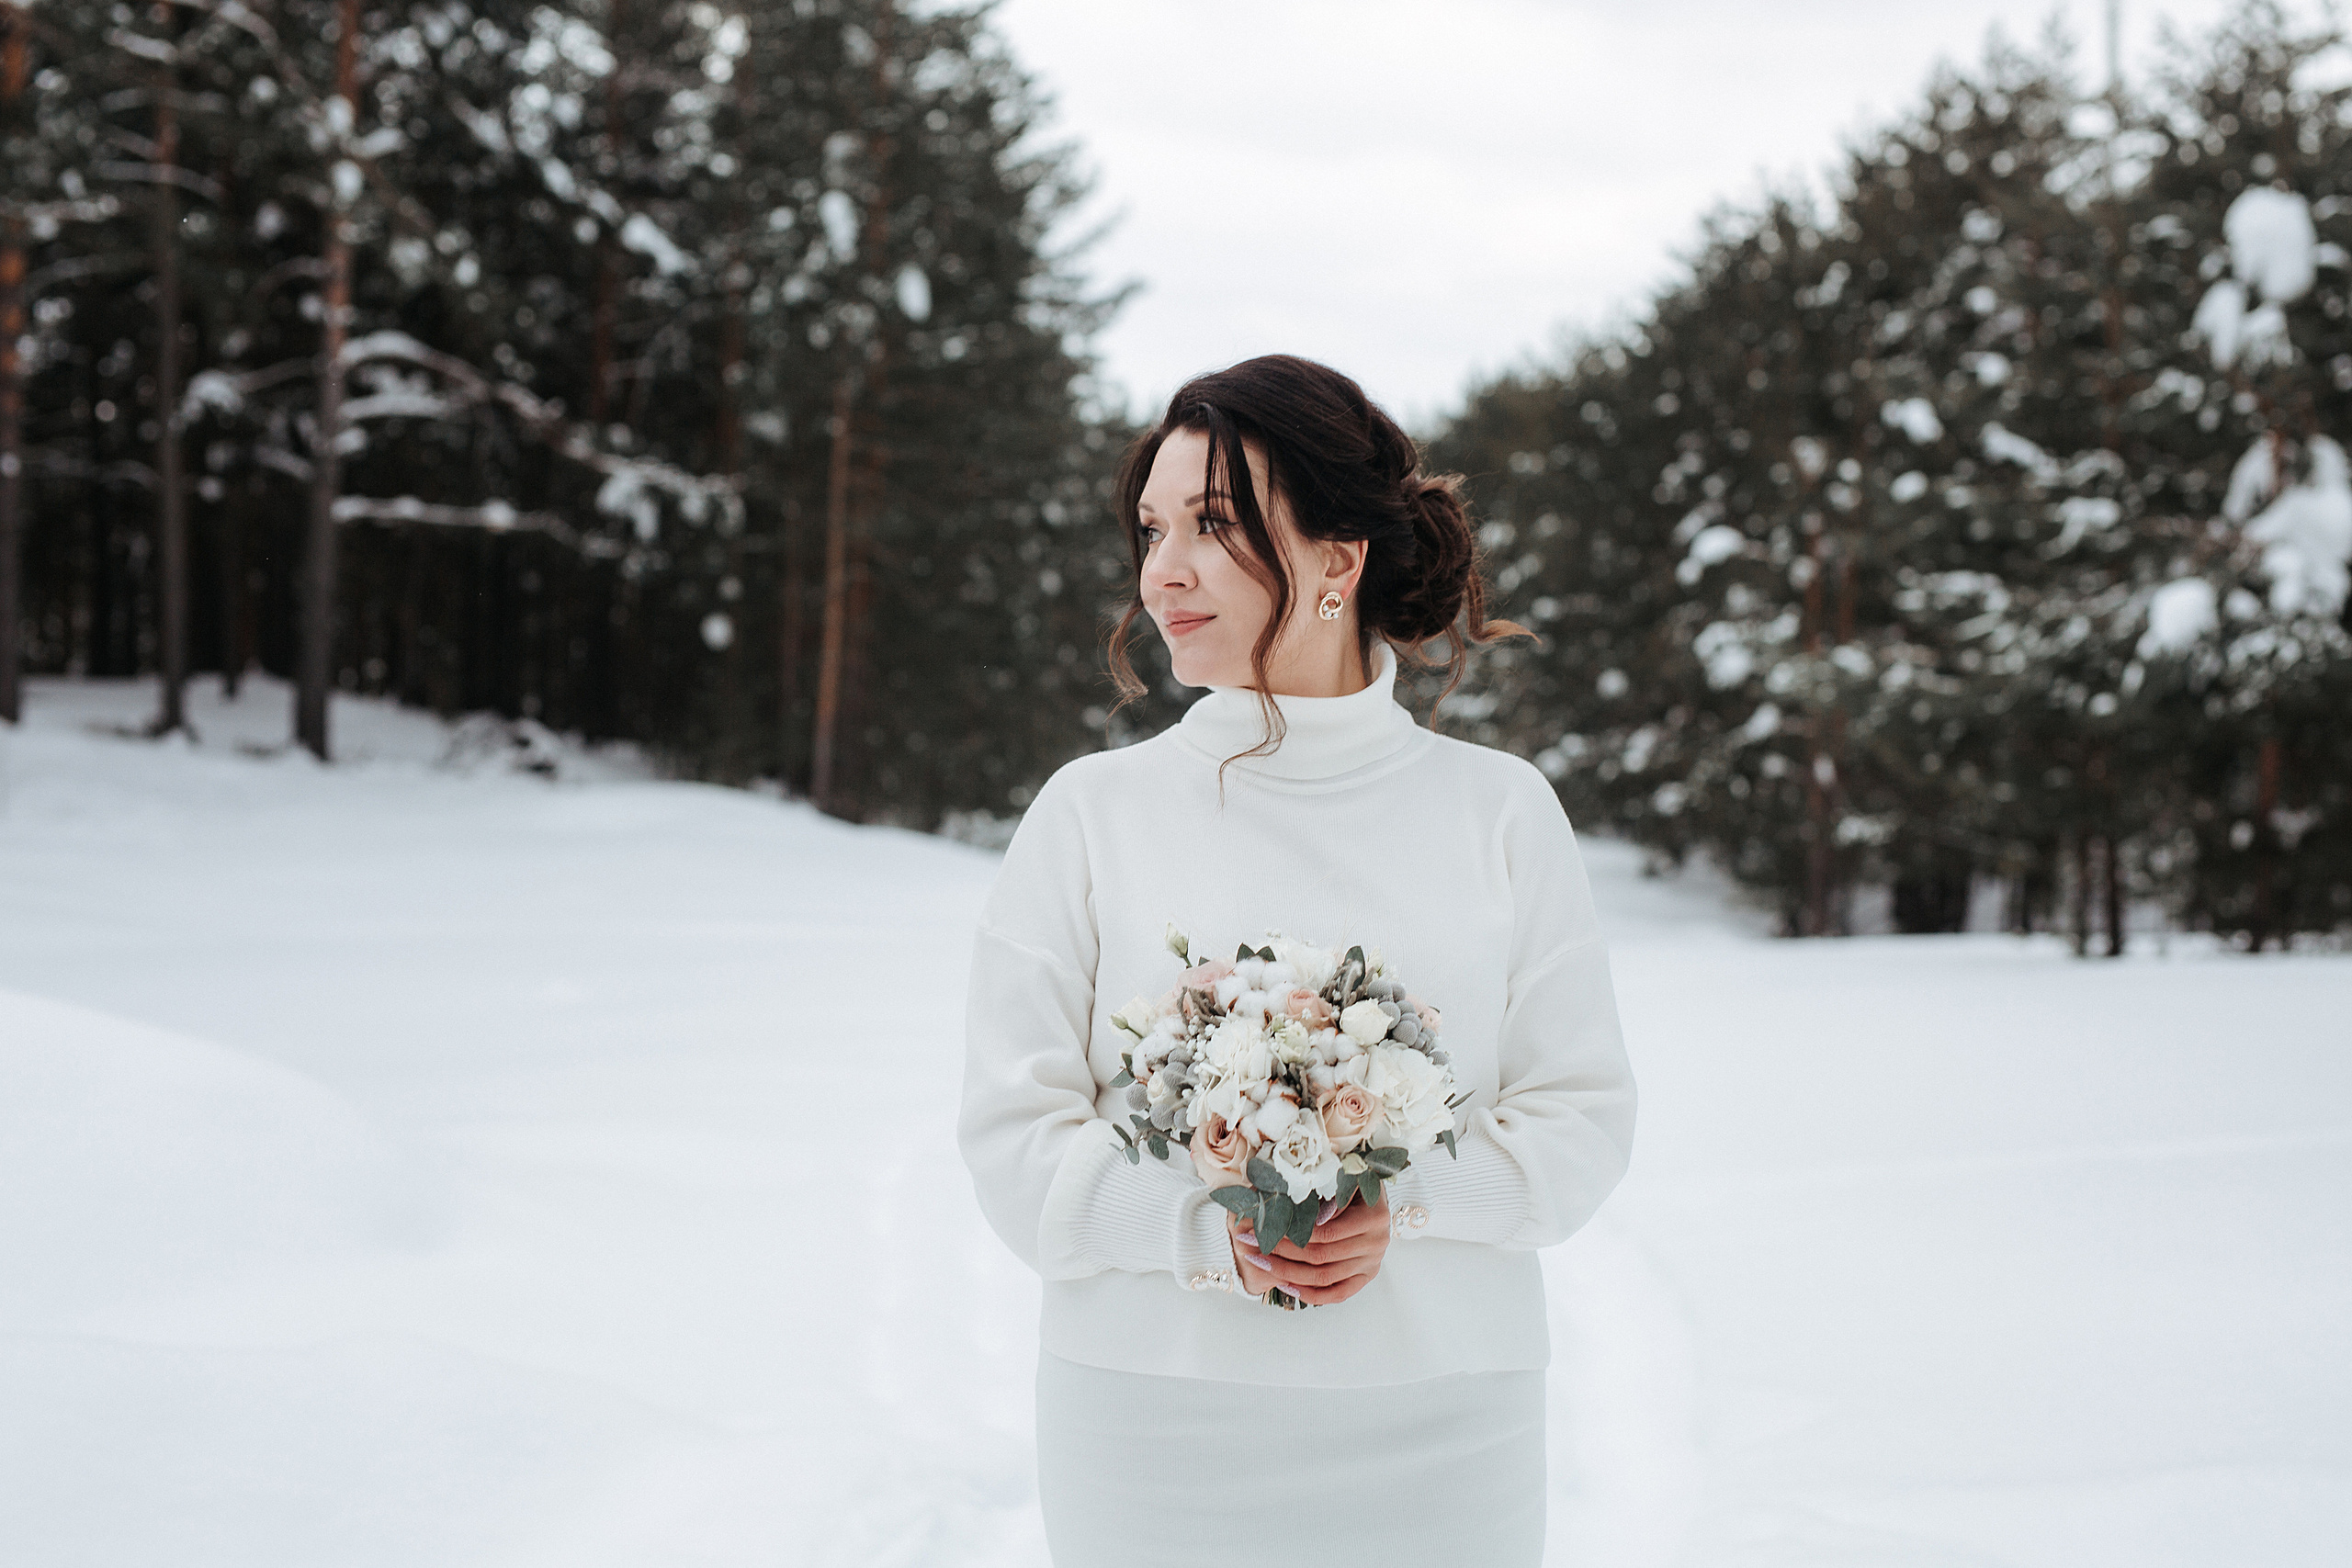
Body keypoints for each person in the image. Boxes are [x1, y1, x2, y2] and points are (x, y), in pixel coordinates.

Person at [956, 354, 1636, 1564]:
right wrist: (1200, 1229)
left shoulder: (1501, 811)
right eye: (1153, 527)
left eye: (1214, 525)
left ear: (1339, 557)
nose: (1163, 570)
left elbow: (1579, 1117)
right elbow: (1013, 1137)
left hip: (1445, 1428)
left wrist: (1404, 1203)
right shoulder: (1091, 813)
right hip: (1151, 1424)